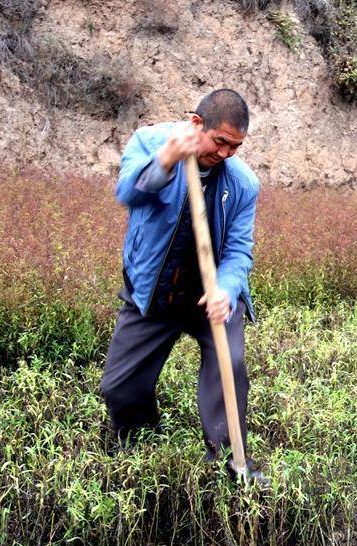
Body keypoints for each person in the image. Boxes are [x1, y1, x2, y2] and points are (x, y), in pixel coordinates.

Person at [100, 88, 260, 477]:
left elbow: (239, 250)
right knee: (119, 387)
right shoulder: (150, 142)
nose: (224, 154)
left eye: (235, 146)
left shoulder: (243, 183)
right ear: (195, 124)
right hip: (157, 288)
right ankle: (137, 448)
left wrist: (226, 289)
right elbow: (128, 194)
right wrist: (167, 160)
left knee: (230, 364)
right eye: (220, 141)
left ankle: (229, 461)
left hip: (212, 295)